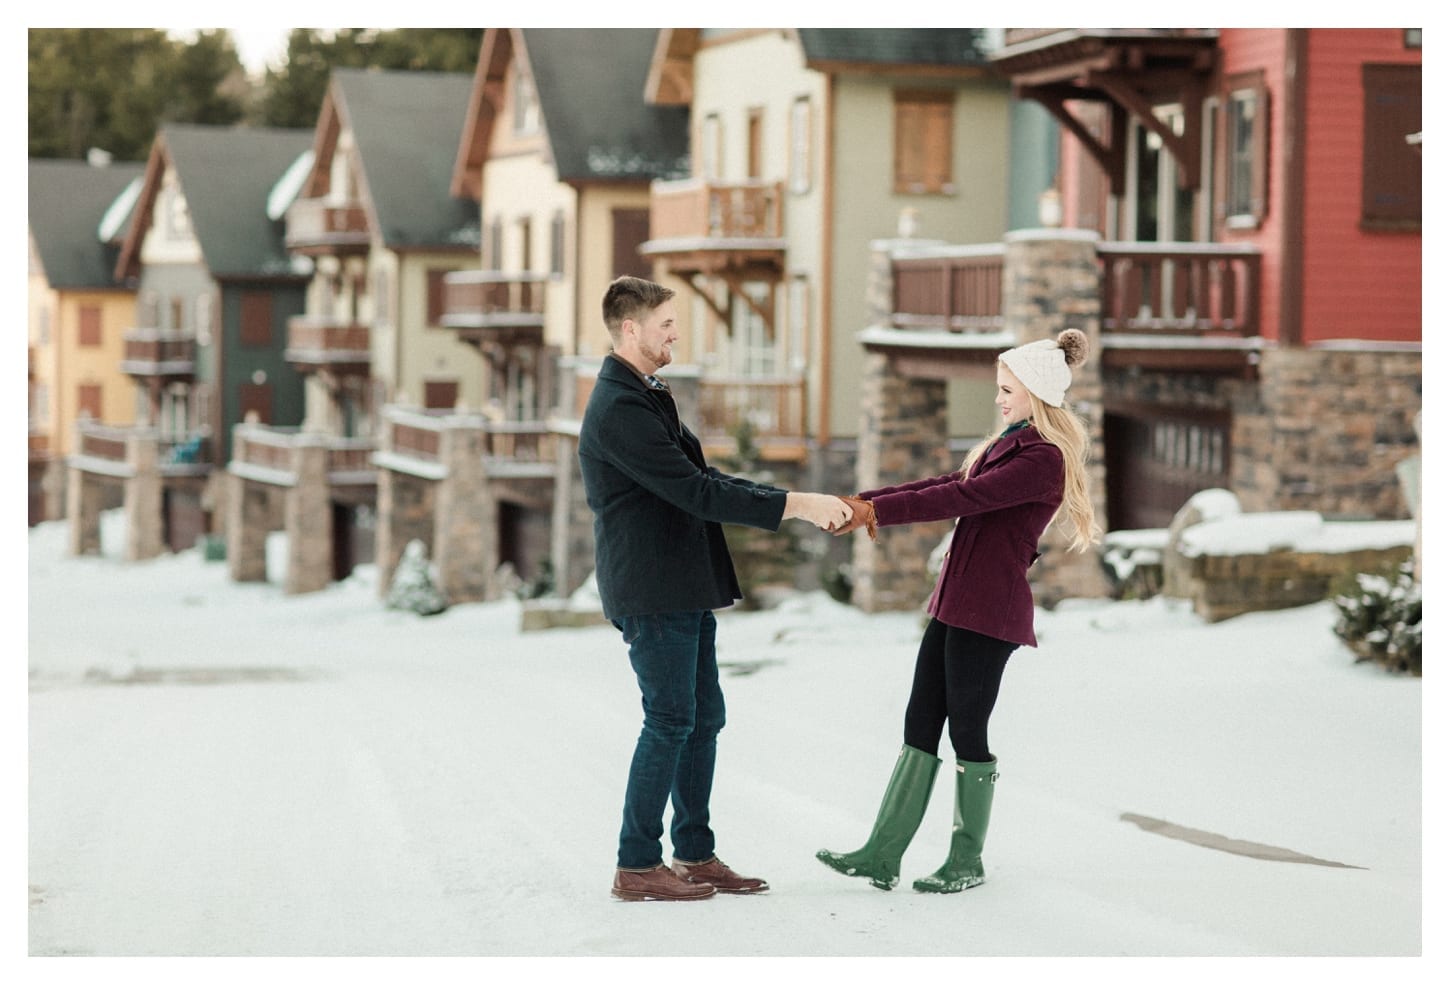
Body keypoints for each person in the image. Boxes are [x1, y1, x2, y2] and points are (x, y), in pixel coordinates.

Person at [579, 275, 851, 902]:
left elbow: (701, 476)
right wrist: (799, 503)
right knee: (671, 718)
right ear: (630, 330)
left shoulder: (646, 395)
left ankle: (694, 855)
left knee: (703, 719)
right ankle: (637, 862)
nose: (676, 333)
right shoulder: (619, 408)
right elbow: (697, 492)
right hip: (653, 590)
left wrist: (788, 499)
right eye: (666, 324)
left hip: (681, 584)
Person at [818, 328, 1100, 893]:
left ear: (1037, 395)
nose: (998, 398)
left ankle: (965, 860)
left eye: (1007, 390)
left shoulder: (1042, 459)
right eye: (999, 388)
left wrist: (870, 513)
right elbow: (945, 481)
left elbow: (960, 499)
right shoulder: (1005, 445)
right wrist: (864, 503)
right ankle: (882, 853)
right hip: (955, 604)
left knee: (968, 728)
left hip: (989, 612)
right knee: (920, 719)